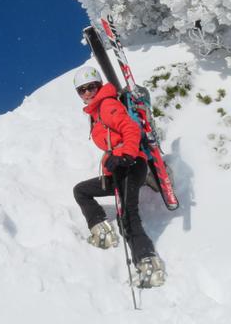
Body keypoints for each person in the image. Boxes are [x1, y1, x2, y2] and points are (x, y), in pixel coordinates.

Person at [71, 65, 166, 288]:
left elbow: (130, 129)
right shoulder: (96, 112)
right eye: (82, 90)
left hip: (130, 164)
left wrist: (124, 155)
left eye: (91, 87)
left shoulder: (107, 105)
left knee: (128, 216)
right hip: (118, 169)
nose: (87, 92)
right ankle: (102, 231)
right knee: (81, 190)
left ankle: (149, 265)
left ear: (99, 86)